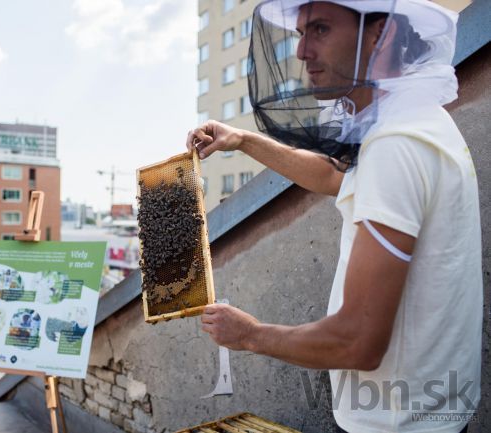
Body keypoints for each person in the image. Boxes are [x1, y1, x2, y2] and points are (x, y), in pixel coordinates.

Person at [186, 1, 481, 432]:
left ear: (379, 34)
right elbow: (334, 174)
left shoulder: (397, 147)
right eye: (301, 33)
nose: (302, 51)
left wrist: (249, 335)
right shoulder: (417, 123)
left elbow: (358, 340)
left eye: (320, 29)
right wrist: (245, 140)